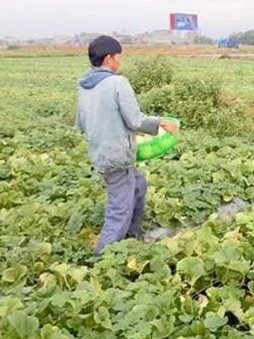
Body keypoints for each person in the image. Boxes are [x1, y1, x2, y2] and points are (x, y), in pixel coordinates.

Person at [75, 35, 178, 255]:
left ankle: (133, 236)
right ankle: (103, 258)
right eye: (118, 56)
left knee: (138, 186)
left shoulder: (85, 85)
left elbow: (81, 123)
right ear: (109, 58)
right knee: (118, 210)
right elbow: (134, 120)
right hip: (117, 156)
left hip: (100, 152)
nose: (120, 60)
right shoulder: (117, 83)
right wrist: (161, 123)